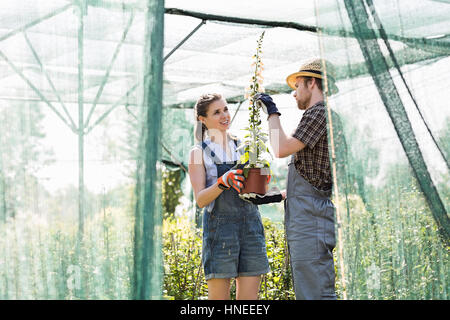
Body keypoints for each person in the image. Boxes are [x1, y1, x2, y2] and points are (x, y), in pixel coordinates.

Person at [254, 59, 339, 300]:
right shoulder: (317, 116)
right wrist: (277, 196)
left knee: (316, 292)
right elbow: (313, 176)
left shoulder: (319, 114)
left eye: (298, 85)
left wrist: (272, 112)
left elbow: (280, 148)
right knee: (310, 288)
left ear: (312, 83)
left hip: (311, 219)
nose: (294, 93)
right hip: (308, 215)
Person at [188, 93, 270, 300]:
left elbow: (256, 192)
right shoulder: (199, 152)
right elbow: (200, 200)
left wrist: (268, 188)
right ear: (202, 119)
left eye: (225, 109)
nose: (225, 115)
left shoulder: (244, 146)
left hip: (251, 227)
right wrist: (223, 182)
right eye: (217, 112)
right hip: (220, 232)